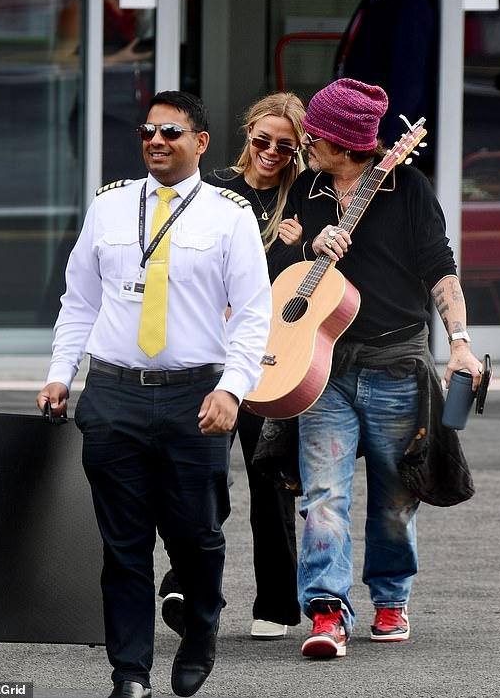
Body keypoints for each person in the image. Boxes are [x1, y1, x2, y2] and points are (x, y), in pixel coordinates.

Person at [36, 90, 272, 698]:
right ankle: (130, 673)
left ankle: (200, 627)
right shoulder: (109, 209)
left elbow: (252, 315)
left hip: (196, 396)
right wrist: (61, 372)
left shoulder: (230, 215)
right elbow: (80, 300)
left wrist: (233, 390)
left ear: (202, 142)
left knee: (197, 536)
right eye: (148, 132)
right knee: (123, 546)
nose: (157, 141)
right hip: (113, 395)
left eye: (171, 132)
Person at [265, 78, 483, 659]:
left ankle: (390, 598)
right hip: (323, 367)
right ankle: (326, 610)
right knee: (322, 496)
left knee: (394, 497)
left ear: (344, 143)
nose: (305, 141)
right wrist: (310, 247)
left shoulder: (407, 187)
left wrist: (459, 342)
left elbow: (441, 270)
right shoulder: (307, 188)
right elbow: (281, 271)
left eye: (316, 135)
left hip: (395, 363)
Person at [159, 91, 306, 641]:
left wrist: (302, 245)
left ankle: (276, 604)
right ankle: (185, 583)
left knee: (270, 484)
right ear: (246, 134)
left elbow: (312, 279)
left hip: (276, 360)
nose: (270, 152)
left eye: (285, 146)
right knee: (200, 479)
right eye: (261, 139)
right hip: (209, 358)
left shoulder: (304, 200)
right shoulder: (214, 189)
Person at [334, 0, 438, 173]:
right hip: (364, 130)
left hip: (386, 139)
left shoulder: (410, 0)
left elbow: (407, 80)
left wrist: (389, 146)